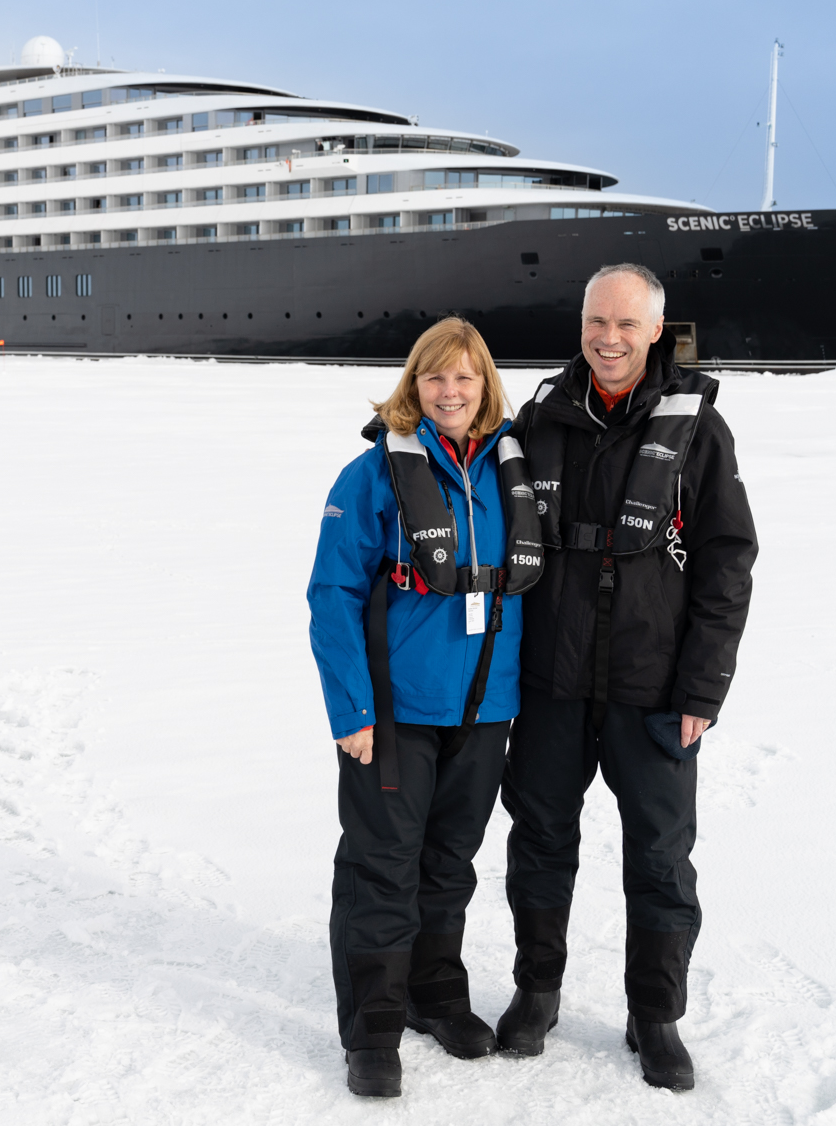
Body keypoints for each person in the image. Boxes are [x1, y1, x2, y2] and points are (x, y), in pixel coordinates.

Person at [496, 264, 757, 1092]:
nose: (607, 339)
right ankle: (536, 992)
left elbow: (727, 562)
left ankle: (656, 1017)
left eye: (625, 324)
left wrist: (703, 689)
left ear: (656, 330)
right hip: (551, 682)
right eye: (594, 322)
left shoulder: (698, 431)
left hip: (655, 689)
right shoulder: (541, 416)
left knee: (659, 860)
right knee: (539, 845)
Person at [307, 318, 544, 1099]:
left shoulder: (512, 471)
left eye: (465, 378)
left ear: (486, 388)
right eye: (435, 377)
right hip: (396, 715)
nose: (450, 391)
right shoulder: (371, 475)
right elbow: (333, 596)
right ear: (414, 385)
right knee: (381, 869)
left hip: (485, 712)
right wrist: (351, 710)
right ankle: (372, 1028)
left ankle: (435, 992)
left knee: (449, 866)